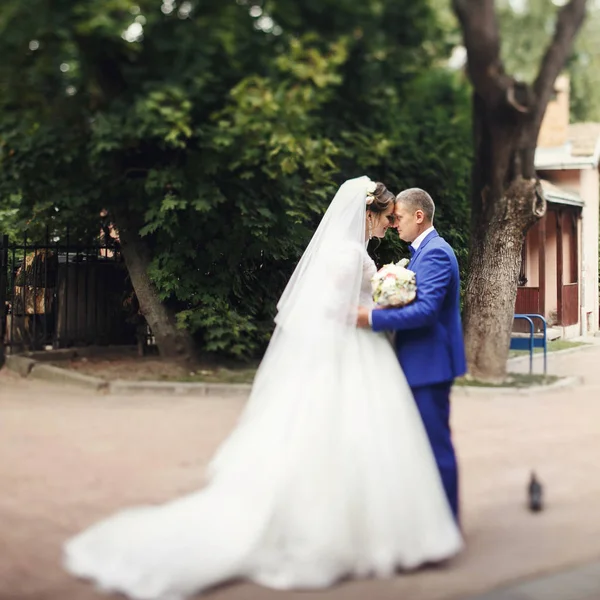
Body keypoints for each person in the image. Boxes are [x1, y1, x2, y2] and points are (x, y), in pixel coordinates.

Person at [63, 177, 462, 600]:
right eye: (387, 217)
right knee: (349, 439)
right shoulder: (348, 254)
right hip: (351, 351)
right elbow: (332, 306)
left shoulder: (386, 252)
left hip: (371, 352)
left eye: (396, 219)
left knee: (373, 442)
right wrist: (368, 313)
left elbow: (396, 306)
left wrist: (374, 305)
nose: (390, 225)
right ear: (369, 213)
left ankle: (400, 526)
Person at [357, 188, 467, 521]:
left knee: (435, 448)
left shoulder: (435, 253)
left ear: (419, 217)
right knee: (420, 447)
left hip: (429, 365)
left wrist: (370, 318)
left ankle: (447, 524)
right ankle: (429, 521)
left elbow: (426, 312)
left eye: (399, 218)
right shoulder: (421, 252)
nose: (393, 225)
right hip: (418, 363)